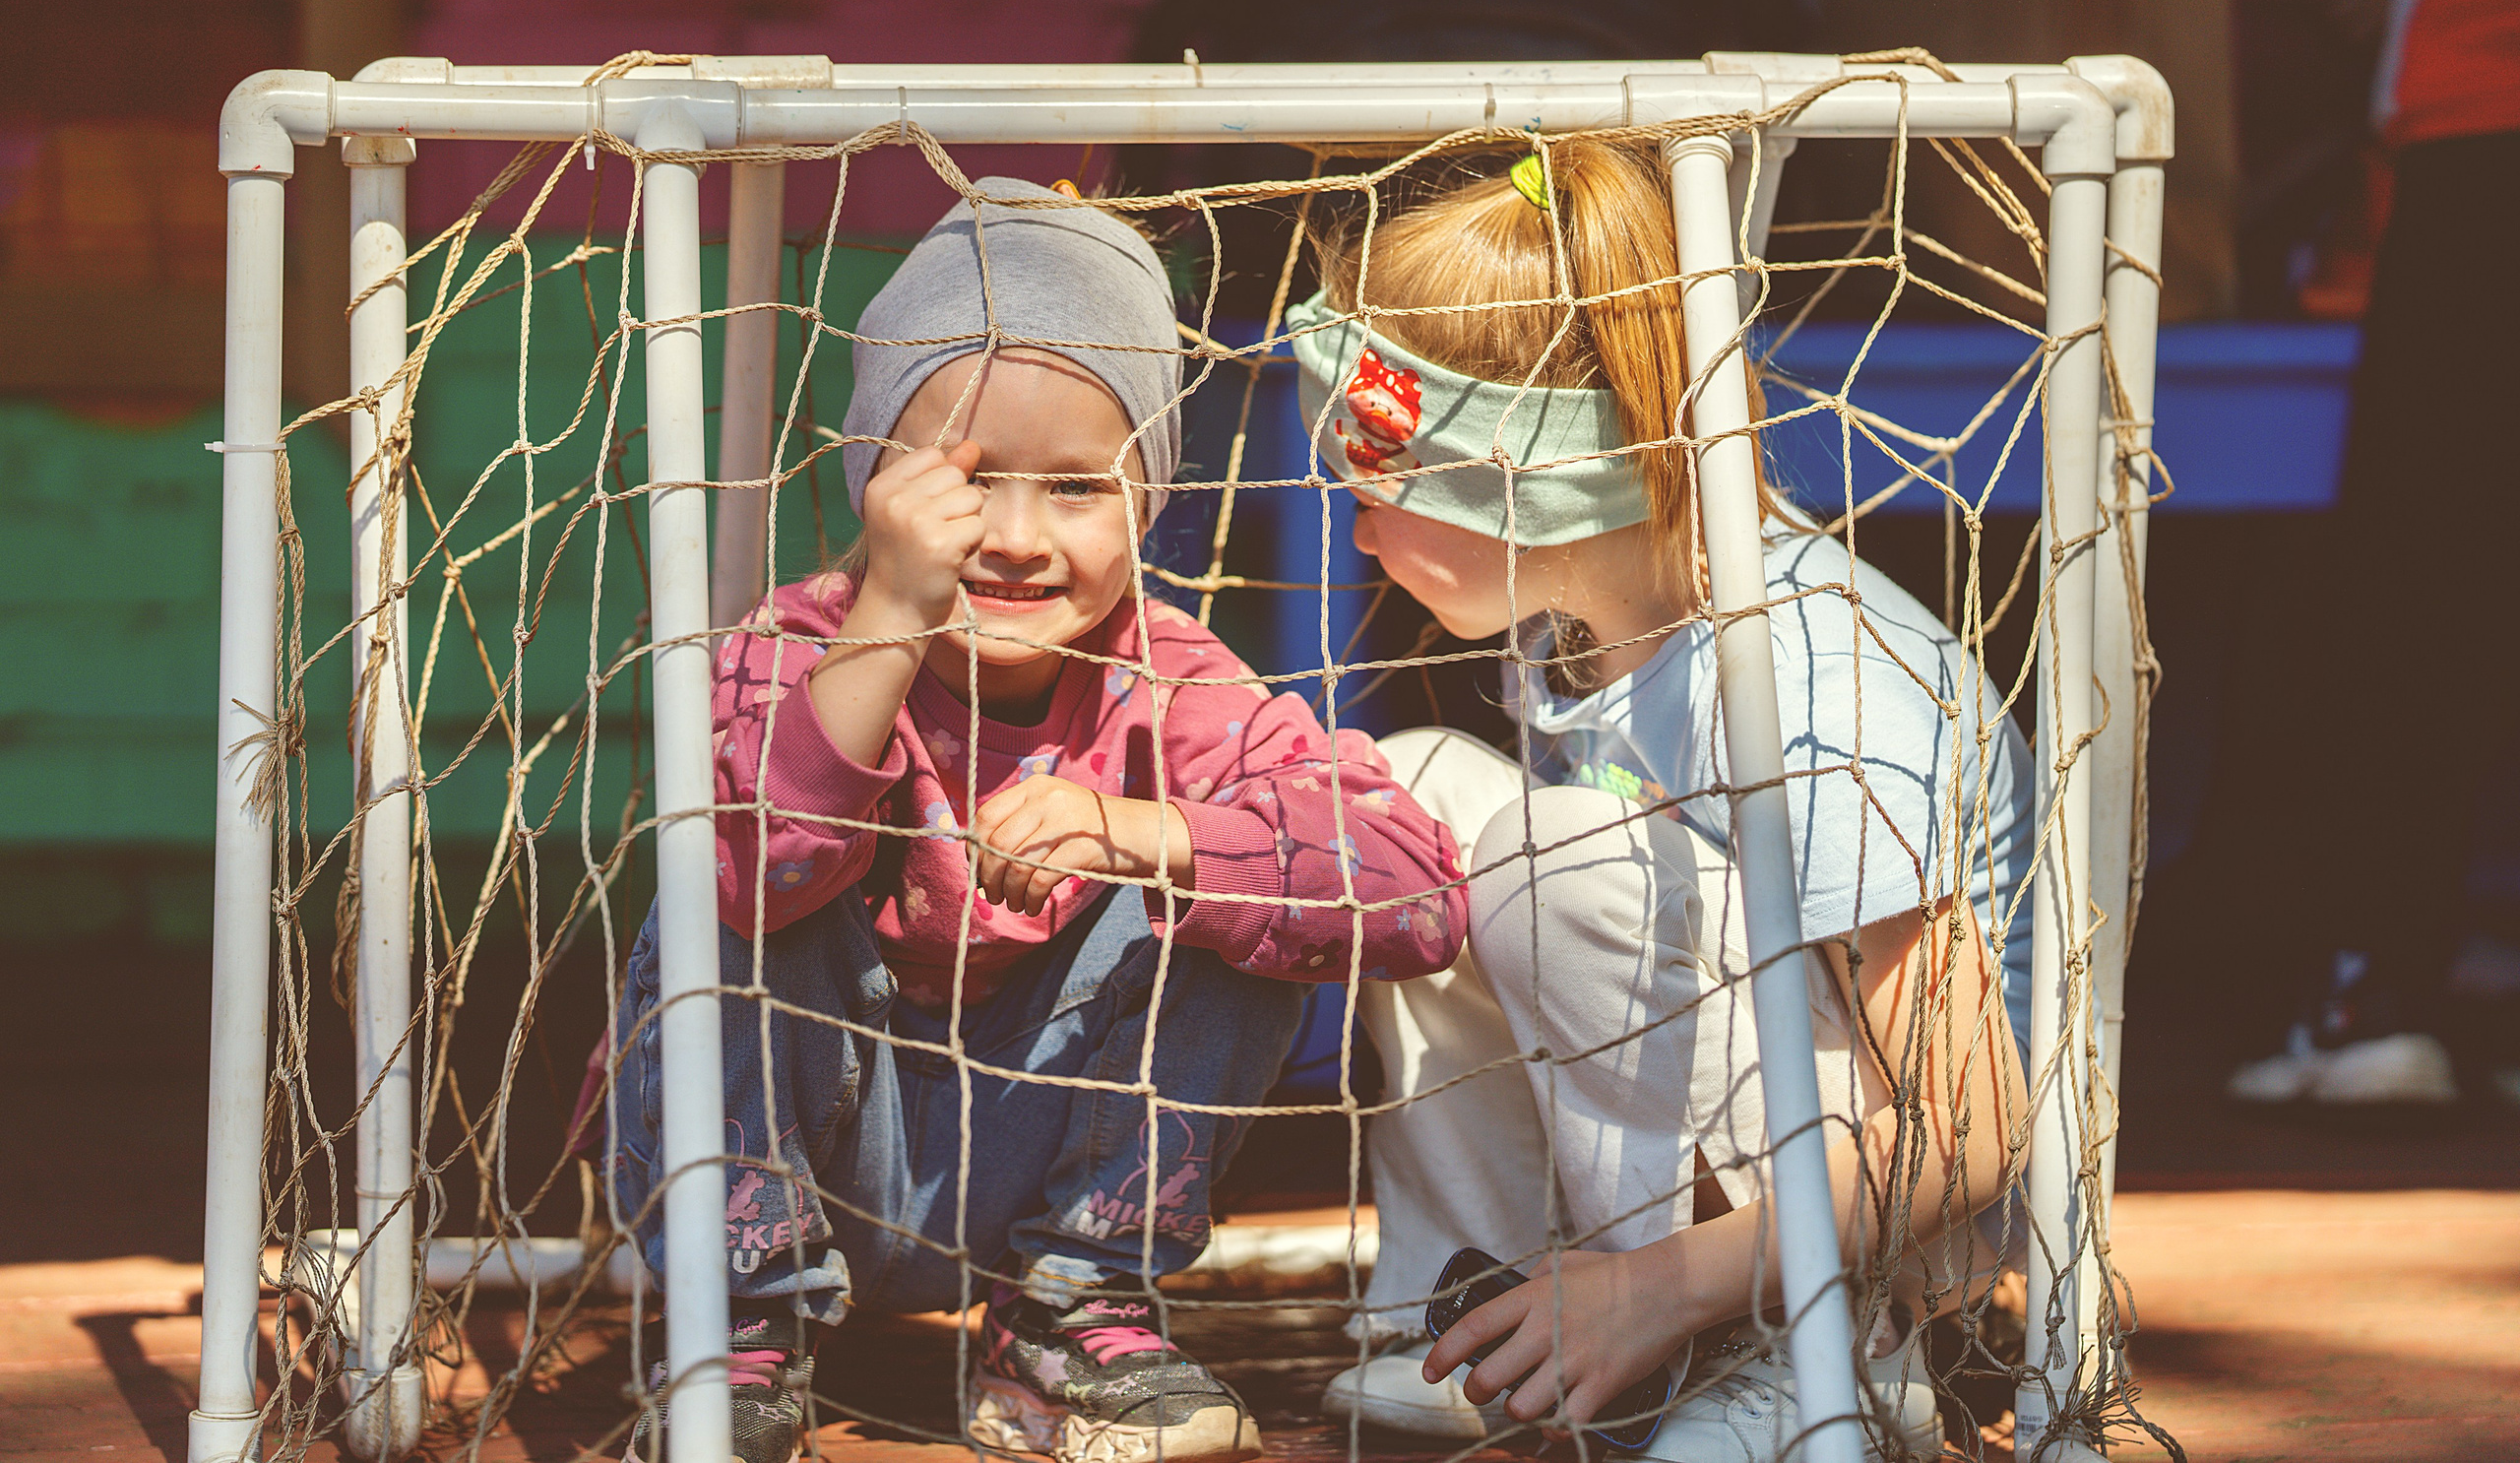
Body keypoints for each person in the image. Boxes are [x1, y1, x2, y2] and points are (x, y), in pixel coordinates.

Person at [605, 178, 1469, 1463]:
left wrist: (1146, 834)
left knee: (1234, 884)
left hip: (1031, 1174)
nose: (1013, 537)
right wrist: (891, 610)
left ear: (1149, 501)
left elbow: (1411, 893)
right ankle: (737, 1336)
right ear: (876, 482)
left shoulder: (1178, 681)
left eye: (1075, 487)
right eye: (965, 482)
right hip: (817, 1162)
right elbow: (743, 867)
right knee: (735, 887)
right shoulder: (792, 646)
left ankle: (1070, 1325)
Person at [1291, 144, 2034, 1461]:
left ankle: (1804, 1356)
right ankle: (1495, 1313)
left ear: (1513, 481)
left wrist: (1663, 1284)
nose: (1353, 531)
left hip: (1901, 1218)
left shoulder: (1804, 683)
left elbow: (1972, 1126)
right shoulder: (1582, 624)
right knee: (1397, 805)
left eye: (1374, 493)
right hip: (1745, 1139)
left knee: (1556, 855)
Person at [2218, 0, 2520, 1109]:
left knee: (2425, 581)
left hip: (2491, 146)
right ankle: (2397, 981)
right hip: (2473, 131)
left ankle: (2381, 992)